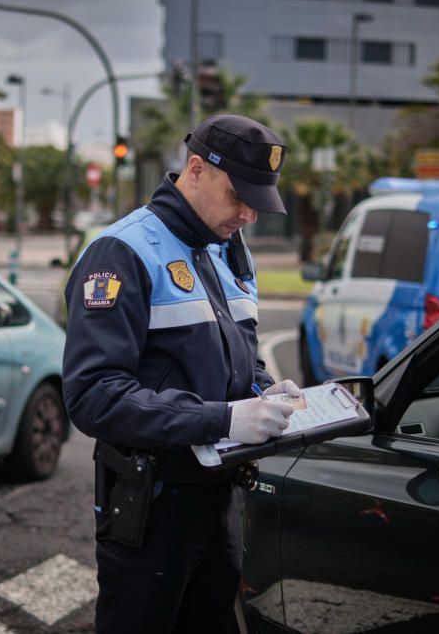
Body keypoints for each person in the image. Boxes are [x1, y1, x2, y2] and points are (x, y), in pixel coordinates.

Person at [62, 114, 302, 633]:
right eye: (239, 196)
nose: (248, 215)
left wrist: (264, 389)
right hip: (152, 507)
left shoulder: (229, 250)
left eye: (258, 202)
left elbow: (237, 358)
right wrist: (223, 419)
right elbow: (92, 395)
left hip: (220, 499)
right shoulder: (121, 253)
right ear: (196, 169)